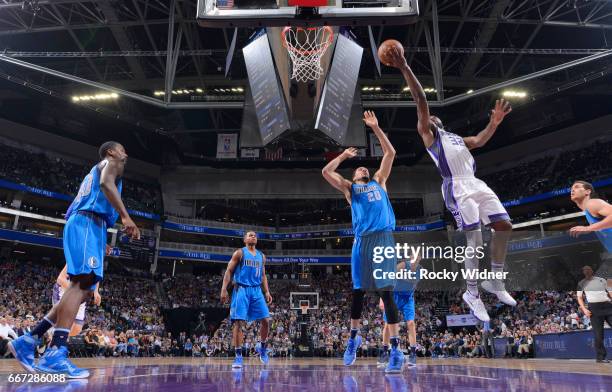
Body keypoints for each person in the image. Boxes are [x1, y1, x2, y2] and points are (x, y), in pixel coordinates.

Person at [384, 47, 516, 322]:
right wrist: (405, 67)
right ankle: (472, 293)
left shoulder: (455, 137)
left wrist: (494, 123)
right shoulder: (429, 136)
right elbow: (421, 100)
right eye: (427, 117)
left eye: (432, 117)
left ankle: (495, 281)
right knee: (475, 239)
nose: (429, 118)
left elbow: (479, 140)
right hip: (456, 187)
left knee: (504, 225)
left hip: (476, 183)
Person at [8, 141, 140, 378]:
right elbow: (105, 184)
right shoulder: (112, 163)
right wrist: (125, 217)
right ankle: (56, 352)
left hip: (89, 225)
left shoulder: (98, 168)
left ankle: (30, 339)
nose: (125, 153)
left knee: (84, 289)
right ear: (111, 152)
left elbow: (81, 203)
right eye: (121, 148)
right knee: (81, 284)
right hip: (88, 222)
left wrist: (99, 239)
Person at [321, 111, 404, 373]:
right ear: (355, 175)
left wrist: (377, 128)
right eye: (359, 168)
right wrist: (344, 156)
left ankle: (395, 350)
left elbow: (390, 154)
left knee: (386, 293)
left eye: (364, 167)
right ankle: (353, 339)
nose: (363, 169)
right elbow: (325, 171)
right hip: (361, 243)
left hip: (382, 240)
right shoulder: (350, 189)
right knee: (358, 293)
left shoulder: (379, 181)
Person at [220, 231, 273, 369]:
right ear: (244, 239)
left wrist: (266, 291)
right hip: (241, 289)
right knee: (238, 322)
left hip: (256, 290)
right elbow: (229, 271)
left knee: (266, 321)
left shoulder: (262, 256)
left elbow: (263, 275)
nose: (253, 236)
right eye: (250, 235)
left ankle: (262, 349)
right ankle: (238, 356)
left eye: (255, 235)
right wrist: (224, 289)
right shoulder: (240, 253)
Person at [378, 253, 421, 368]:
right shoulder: (402, 265)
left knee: (411, 323)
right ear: (410, 259)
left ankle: (412, 353)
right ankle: (385, 352)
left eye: (417, 258)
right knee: (387, 325)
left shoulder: (420, 271)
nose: (414, 260)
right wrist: (382, 298)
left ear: (419, 259)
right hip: (394, 297)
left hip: (407, 299)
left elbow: (412, 286)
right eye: (413, 258)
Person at [52, 263, 103, 338]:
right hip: (64, 291)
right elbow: (60, 279)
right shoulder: (76, 257)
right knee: (64, 326)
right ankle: (52, 340)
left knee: (77, 329)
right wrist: (77, 291)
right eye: (110, 249)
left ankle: (56, 340)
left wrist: (96, 291)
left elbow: (96, 276)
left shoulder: (97, 258)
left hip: (81, 294)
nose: (111, 250)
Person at [576, 265, 612, 363]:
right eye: (585, 270)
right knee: (598, 335)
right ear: (583, 272)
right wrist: (584, 309)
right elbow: (579, 297)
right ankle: (601, 357)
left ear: (592, 270)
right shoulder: (580, 283)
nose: (587, 271)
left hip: (608, 306)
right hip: (594, 309)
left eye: (588, 269)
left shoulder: (603, 280)